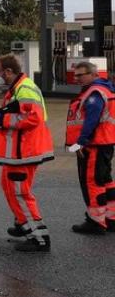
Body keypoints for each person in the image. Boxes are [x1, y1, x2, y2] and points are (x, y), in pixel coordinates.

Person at [0, 54, 55, 251]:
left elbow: (32, 118)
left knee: (19, 192)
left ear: (9, 72)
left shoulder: (24, 89)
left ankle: (38, 237)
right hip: (18, 153)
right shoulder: (17, 89)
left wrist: (1, 122)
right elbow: (10, 114)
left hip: (25, 152)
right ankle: (23, 224)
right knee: (9, 187)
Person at [64, 61, 115, 234]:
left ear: (94, 75)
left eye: (81, 74)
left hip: (93, 145)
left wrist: (80, 142)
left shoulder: (94, 93)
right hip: (104, 143)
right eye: (76, 75)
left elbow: (91, 121)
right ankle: (111, 218)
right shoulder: (103, 89)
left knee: (92, 183)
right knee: (105, 180)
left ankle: (96, 221)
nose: (77, 78)